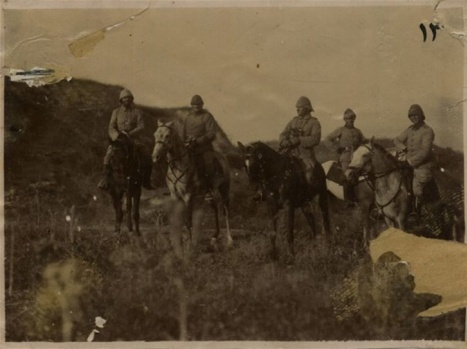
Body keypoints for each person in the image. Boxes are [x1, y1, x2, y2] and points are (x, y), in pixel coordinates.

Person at [98, 88, 154, 191]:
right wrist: (117, 136)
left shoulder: (137, 112)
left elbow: (141, 126)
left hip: (134, 139)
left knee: (146, 155)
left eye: (128, 98)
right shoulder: (116, 112)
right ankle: (105, 180)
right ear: (121, 100)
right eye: (124, 98)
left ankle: (146, 181)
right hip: (119, 140)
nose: (127, 100)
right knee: (108, 156)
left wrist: (130, 134)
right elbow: (111, 127)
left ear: (131, 99)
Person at [394, 104, 436, 221]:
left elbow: (425, 152)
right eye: (411, 116)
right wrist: (402, 148)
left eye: (416, 115)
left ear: (421, 116)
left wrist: (410, 161)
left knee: (416, 188)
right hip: (407, 164)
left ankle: (416, 213)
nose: (413, 118)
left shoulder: (427, 131)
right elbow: (396, 140)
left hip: (422, 166)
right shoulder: (409, 130)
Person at [278, 95, 322, 188]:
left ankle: (309, 198)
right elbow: (283, 134)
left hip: (305, 156)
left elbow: (316, 139)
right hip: (289, 153)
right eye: (297, 108)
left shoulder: (314, 123)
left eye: (300, 107)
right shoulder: (293, 121)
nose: (297, 110)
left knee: (309, 177)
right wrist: (284, 141)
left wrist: (299, 140)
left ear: (307, 108)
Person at [325, 108, 365, 203]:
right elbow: (327, 139)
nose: (350, 121)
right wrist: (337, 148)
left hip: (357, 157)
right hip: (345, 157)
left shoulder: (358, 131)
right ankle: (349, 201)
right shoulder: (341, 130)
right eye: (348, 119)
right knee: (347, 177)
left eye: (352, 119)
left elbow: (364, 142)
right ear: (344, 120)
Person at [183, 94, 217, 200]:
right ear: (191, 105)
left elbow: (211, 133)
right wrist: (185, 142)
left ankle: (208, 190)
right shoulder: (188, 118)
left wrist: (198, 141)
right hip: (190, 147)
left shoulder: (207, 116)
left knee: (207, 165)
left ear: (202, 105)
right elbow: (183, 133)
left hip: (204, 147)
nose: (196, 106)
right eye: (194, 104)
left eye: (198, 104)